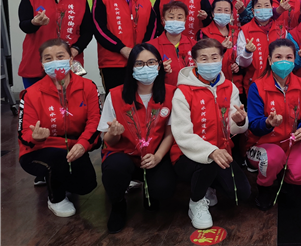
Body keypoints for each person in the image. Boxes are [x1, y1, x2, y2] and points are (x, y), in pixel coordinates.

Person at [171, 38, 251, 229]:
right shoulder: (183, 92)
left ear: (222, 58)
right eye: (204, 59)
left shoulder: (229, 87)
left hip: (222, 152)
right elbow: (182, 134)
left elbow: (233, 128)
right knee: (208, 161)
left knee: (241, 193)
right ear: (195, 62)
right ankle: (196, 201)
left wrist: (240, 122)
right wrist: (211, 151)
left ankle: (208, 185)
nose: (210, 62)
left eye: (214, 57)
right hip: (186, 155)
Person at [98, 43, 176, 233]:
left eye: (151, 62)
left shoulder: (171, 93)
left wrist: (157, 157)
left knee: (163, 189)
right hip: (124, 155)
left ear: (159, 65)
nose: (145, 68)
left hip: (155, 155)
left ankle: (150, 190)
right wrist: (114, 133)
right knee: (115, 168)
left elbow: (170, 133)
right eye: (139, 64)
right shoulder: (115, 95)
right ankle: (118, 204)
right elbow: (107, 140)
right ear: (131, 67)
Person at [18, 38, 100, 217]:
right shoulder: (31, 94)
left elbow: (95, 122)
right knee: (57, 159)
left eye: (60, 56)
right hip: (41, 150)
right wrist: (36, 137)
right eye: (48, 58)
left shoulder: (88, 87)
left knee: (86, 185)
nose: (55, 61)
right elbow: (24, 134)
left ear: (70, 59)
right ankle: (56, 198)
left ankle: (57, 178)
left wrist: (83, 144)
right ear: (42, 64)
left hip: (73, 147)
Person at [246, 39, 301, 210]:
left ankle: (281, 176)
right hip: (262, 145)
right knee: (273, 157)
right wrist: (268, 123)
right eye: (278, 57)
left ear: (294, 60)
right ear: (270, 60)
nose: (284, 61)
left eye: (289, 57)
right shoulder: (257, 87)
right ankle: (264, 187)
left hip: (291, 143)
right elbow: (253, 124)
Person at [18, 0, 93, 88]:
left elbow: (87, 31)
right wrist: (34, 23)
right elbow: (24, 25)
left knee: (68, 100)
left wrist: (75, 50)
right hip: (36, 61)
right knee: (35, 100)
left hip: (68, 61)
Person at [92, 0, 157, 93]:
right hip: (113, 63)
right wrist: (122, 49)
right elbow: (99, 29)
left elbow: (153, 26)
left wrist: (142, 50)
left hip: (141, 61)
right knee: (116, 100)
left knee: (141, 98)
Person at [237, 0, 287, 94]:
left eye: (267, 5)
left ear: (272, 8)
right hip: (254, 85)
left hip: (279, 83)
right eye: (259, 6)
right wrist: (247, 52)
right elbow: (242, 63)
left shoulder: (281, 30)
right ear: (253, 11)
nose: (263, 8)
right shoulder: (245, 31)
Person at [197, 0, 242, 91]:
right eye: (219, 10)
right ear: (213, 13)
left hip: (235, 85)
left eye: (226, 10)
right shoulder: (204, 33)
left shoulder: (237, 32)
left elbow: (242, 56)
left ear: (231, 14)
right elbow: (201, 57)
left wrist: (238, 66)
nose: (223, 13)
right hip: (212, 85)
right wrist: (220, 48)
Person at [148, 1, 195, 87]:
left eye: (179, 17)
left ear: (185, 20)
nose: (175, 21)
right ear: (163, 20)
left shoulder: (195, 45)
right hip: (163, 92)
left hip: (190, 92)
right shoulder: (150, 47)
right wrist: (159, 70)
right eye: (171, 17)